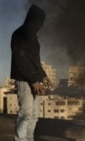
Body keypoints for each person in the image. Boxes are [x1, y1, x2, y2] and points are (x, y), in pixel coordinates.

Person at [10, 5, 51, 141]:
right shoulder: (19, 35)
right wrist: (34, 81)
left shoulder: (33, 37)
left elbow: (35, 61)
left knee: (34, 115)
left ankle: (29, 138)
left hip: (35, 80)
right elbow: (20, 60)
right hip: (24, 80)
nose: (40, 26)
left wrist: (43, 75)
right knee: (26, 114)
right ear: (31, 20)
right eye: (38, 22)